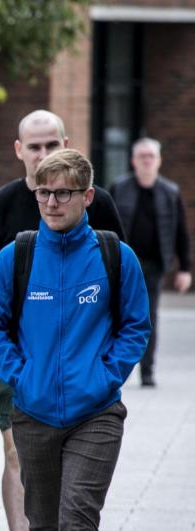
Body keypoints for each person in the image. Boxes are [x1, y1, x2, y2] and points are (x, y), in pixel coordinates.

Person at [0, 148, 149, 531]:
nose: (52, 202)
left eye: (63, 193)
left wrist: (106, 375)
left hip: (96, 411)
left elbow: (135, 325)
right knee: (43, 514)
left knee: (79, 509)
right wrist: (20, 376)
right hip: (32, 409)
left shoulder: (115, 255)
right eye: (44, 193)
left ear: (87, 197)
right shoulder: (18, 256)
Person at [110, 137, 192, 387]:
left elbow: (180, 232)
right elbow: (106, 224)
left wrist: (185, 269)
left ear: (159, 161)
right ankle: (116, 367)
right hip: (122, 266)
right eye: (142, 156)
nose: (147, 161)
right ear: (134, 161)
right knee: (116, 316)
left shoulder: (170, 192)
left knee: (148, 318)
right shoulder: (119, 188)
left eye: (151, 156)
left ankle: (147, 371)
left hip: (154, 266)